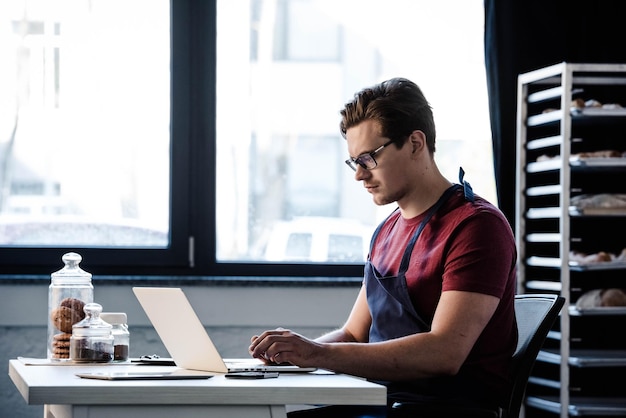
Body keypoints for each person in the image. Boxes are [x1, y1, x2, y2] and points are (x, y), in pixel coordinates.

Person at [249, 77, 518, 417]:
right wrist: (284, 356)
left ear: (415, 143)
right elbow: (353, 334)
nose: (359, 175)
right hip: (382, 402)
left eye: (368, 159)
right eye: (354, 162)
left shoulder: (476, 227)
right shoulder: (386, 232)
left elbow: (445, 352)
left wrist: (315, 353)